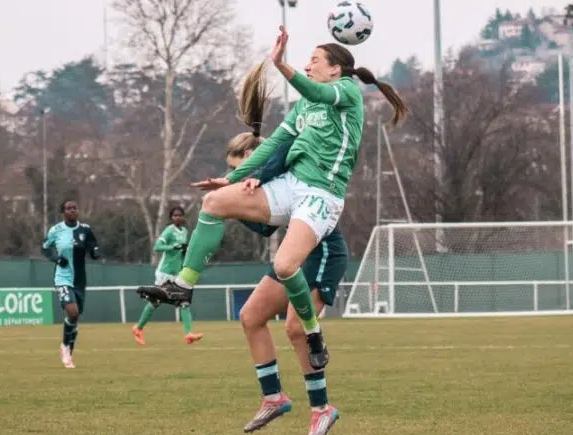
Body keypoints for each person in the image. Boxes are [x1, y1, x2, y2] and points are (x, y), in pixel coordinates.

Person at [139, 25, 407, 373]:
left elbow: (313, 89)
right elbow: (272, 145)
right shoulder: (303, 106)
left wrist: (281, 64)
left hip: (322, 194)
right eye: (307, 61)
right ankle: (183, 286)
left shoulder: (347, 92)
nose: (308, 66)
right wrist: (231, 178)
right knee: (215, 203)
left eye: (314, 60)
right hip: (291, 185)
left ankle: (312, 332)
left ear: (335, 69)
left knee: (284, 265)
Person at [220, 61, 349, 435]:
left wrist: (242, 204)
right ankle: (274, 397)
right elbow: (265, 225)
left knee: (295, 328)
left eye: (237, 169)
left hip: (322, 253)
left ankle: (322, 408)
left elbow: (265, 225)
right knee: (251, 316)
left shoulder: (276, 177)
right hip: (292, 261)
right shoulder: (259, 180)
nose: (236, 176)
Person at [131, 206, 203, 345]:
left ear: (183, 217)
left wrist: (184, 254)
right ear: (171, 217)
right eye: (175, 215)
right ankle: (138, 328)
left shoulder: (185, 231)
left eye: (180, 215)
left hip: (177, 274)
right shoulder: (169, 230)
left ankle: (188, 334)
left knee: (184, 302)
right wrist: (172, 247)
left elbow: (181, 253)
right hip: (164, 273)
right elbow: (157, 247)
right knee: (155, 302)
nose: (178, 218)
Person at [42, 199, 100, 368]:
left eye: (75, 208)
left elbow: (93, 245)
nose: (72, 211)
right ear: (63, 212)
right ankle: (66, 348)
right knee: (73, 313)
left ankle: (67, 348)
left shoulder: (85, 230)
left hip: (80, 280)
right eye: (69, 208)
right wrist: (57, 258)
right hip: (62, 278)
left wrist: (95, 252)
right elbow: (45, 248)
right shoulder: (56, 230)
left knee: (74, 317)